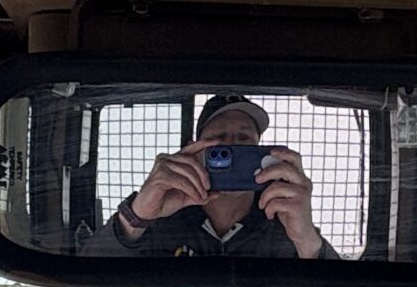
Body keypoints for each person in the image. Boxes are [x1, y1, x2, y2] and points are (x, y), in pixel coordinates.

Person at [90, 93, 335, 258]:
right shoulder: (162, 218)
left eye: (244, 140)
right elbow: (87, 277)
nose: (232, 150)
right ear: (195, 152)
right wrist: (136, 217)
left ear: (261, 152)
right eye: (218, 143)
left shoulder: (282, 219)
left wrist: (306, 239)